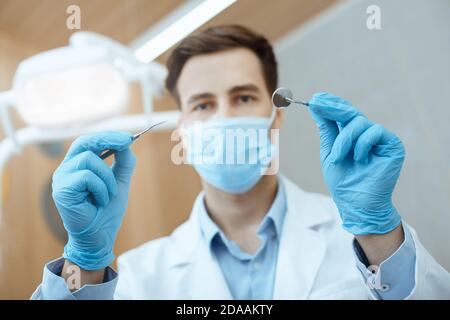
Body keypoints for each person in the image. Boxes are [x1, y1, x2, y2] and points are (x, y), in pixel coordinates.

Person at [32, 25, 450, 300]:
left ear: (277, 114)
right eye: (203, 104)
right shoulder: (143, 275)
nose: (224, 117)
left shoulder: (367, 240)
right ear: (183, 128)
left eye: (243, 97)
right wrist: (85, 263)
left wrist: (377, 228)